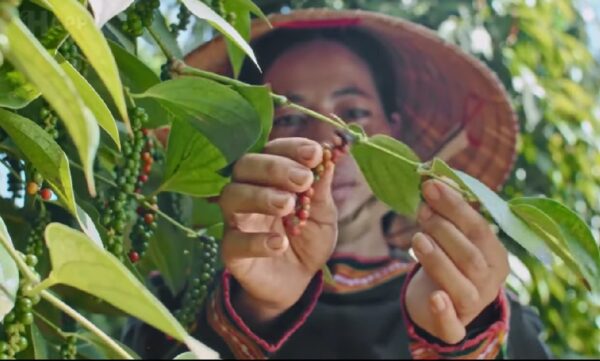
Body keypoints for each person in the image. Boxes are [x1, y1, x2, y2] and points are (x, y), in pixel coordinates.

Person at [125, 9, 552, 359]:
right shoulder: (182, 292)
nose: (324, 139)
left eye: (356, 115)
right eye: (289, 117)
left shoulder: (485, 308)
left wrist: (463, 337)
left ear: (395, 134)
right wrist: (257, 310)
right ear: (252, 146)